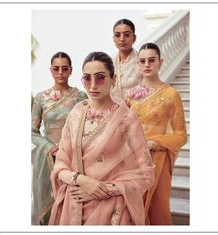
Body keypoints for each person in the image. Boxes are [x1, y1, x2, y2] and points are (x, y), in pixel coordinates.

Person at [48, 51, 155, 225]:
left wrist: (102, 189)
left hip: (112, 209)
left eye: (100, 78)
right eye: (87, 78)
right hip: (74, 204)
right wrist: (81, 180)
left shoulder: (127, 119)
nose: (93, 85)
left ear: (113, 79)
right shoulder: (75, 113)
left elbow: (146, 174)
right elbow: (61, 165)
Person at [127, 43, 187, 225]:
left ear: (160, 62)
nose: (147, 65)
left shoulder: (171, 94)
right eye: (142, 61)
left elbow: (181, 135)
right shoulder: (130, 95)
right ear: (137, 64)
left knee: (158, 207)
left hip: (158, 160)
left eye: (151, 60)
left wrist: (154, 143)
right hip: (132, 159)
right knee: (133, 207)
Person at [31, 52, 88, 225]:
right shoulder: (41, 98)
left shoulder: (81, 97)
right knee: (47, 203)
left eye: (65, 68)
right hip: (46, 157)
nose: (60, 72)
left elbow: (87, 126)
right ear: (51, 70)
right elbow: (32, 131)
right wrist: (49, 146)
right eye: (56, 68)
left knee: (72, 203)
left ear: (71, 70)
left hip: (72, 157)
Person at [111, 19, 140, 99]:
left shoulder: (142, 62)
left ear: (134, 38)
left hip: (136, 109)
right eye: (117, 35)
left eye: (126, 35)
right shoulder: (109, 62)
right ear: (113, 38)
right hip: (112, 109)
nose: (122, 39)